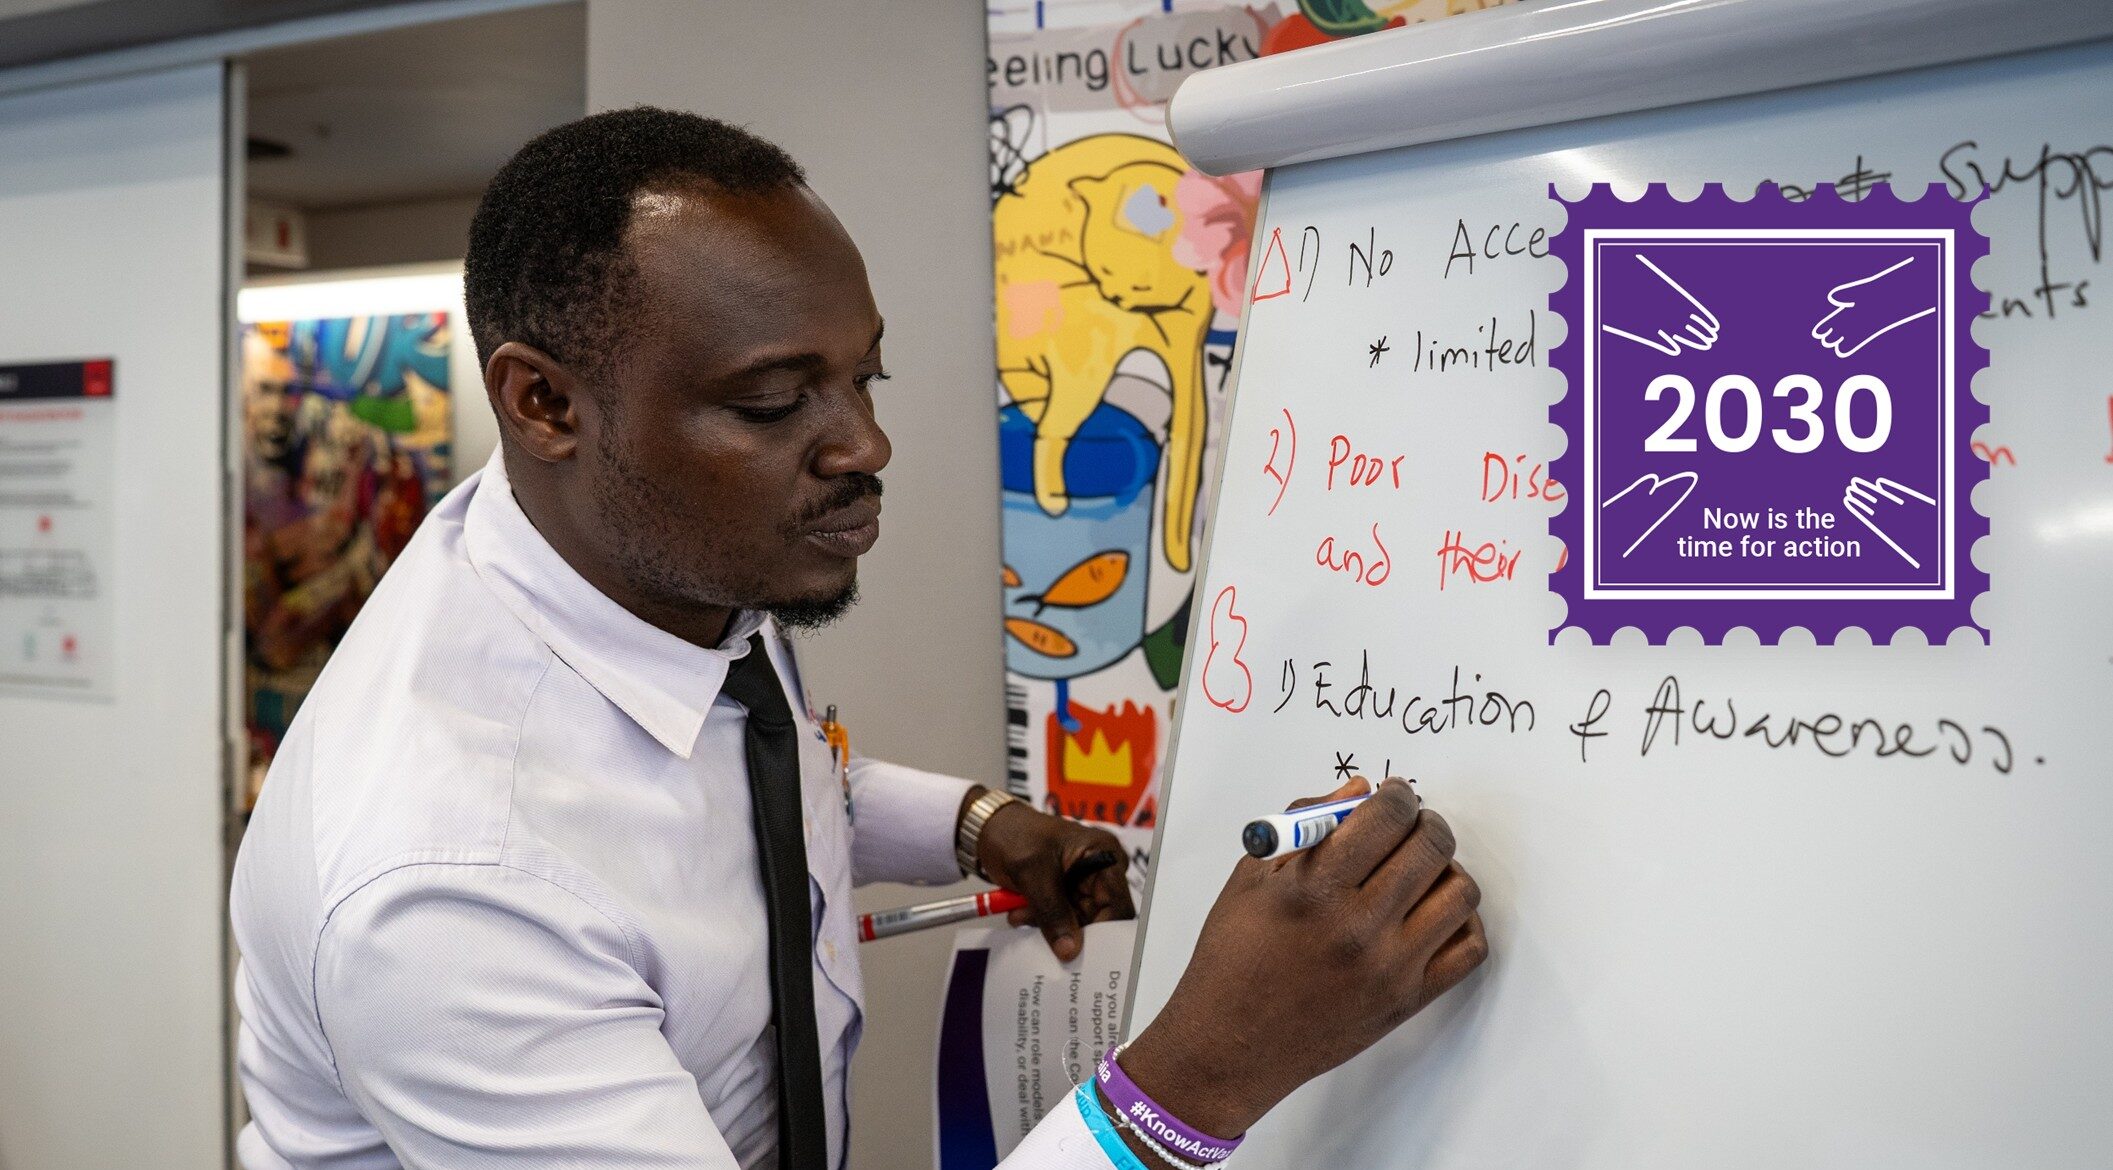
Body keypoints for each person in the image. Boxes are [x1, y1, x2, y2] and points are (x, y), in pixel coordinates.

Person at [229, 107, 1487, 1170]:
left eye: (863, 378)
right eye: (775, 401)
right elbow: (586, 831)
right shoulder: (447, 889)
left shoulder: (629, 565)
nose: (864, 444)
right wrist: (1205, 1072)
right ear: (544, 402)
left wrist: (977, 827)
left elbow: (719, 769)